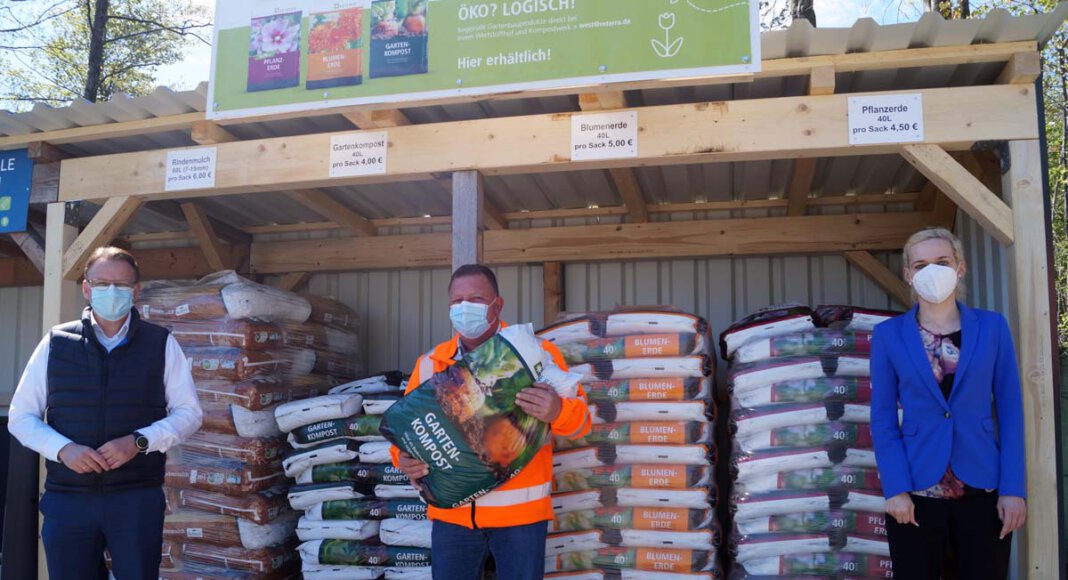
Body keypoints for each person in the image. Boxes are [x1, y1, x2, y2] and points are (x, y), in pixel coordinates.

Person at [8, 246, 203, 579]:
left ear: (136, 290)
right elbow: (21, 416)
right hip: (69, 499)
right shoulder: (56, 343)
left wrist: (140, 441)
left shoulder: (160, 344)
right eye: (103, 283)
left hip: (135, 499)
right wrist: (63, 450)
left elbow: (189, 413)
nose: (112, 292)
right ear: (86, 288)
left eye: (122, 285)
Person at [390, 264, 591, 580]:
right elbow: (405, 432)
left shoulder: (538, 355)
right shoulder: (430, 364)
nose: (464, 307)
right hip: (452, 518)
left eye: (475, 298)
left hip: (520, 519)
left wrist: (557, 412)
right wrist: (403, 459)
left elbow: (582, 424)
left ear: (497, 305)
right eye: (457, 301)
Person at [869, 228, 1026, 580]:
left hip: (983, 489)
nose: (931, 271)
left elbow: (1011, 412)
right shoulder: (888, 336)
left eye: (942, 261)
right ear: (908, 275)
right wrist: (895, 488)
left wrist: (1013, 489)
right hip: (915, 493)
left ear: (960, 267)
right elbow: (881, 420)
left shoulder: (992, 327)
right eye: (920, 264)